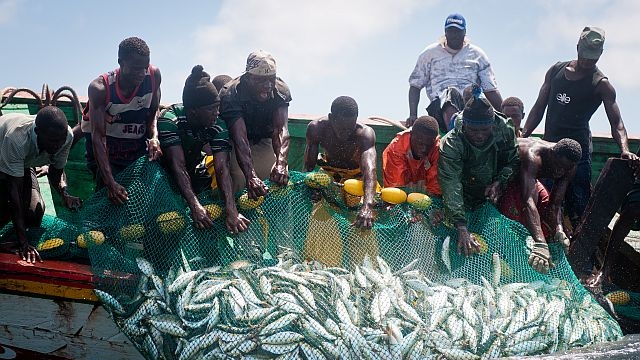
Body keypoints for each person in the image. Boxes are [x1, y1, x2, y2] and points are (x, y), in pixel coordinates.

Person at [522, 26, 639, 227]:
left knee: (580, 205)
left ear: (600, 54)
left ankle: (581, 251)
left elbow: (617, 123)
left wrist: (625, 150)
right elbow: (538, 108)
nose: (588, 62)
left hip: (579, 155)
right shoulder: (556, 71)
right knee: (543, 200)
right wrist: (524, 135)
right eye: (585, 56)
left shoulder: (601, 84)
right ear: (577, 47)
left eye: (593, 58)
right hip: (550, 150)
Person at [158, 65, 249, 234]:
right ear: (193, 111)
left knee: (208, 216)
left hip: (195, 169)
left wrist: (231, 210)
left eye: (218, 107)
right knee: (165, 223)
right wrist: (194, 205)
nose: (217, 113)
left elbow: (222, 168)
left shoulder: (217, 124)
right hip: (164, 173)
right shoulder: (170, 119)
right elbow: (178, 166)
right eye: (211, 109)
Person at [83, 37, 163, 204]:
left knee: (141, 203)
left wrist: (154, 137)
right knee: (109, 203)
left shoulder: (154, 76)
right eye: (136, 69)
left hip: (136, 152)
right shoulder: (100, 88)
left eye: (144, 68)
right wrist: (110, 182)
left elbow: (153, 112)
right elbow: (98, 138)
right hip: (107, 155)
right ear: (121, 62)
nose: (142, 74)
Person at [438, 93, 519, 256]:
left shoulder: (505, 129)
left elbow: (513, 161)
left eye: (485, 130)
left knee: (490, 250)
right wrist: (461, 226)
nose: (480, 135)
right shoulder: (452, 143)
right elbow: (451, 182)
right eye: (474, 130)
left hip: (489, 196)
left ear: (492, 125)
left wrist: (499, 182)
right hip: (460, 195)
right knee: (452, 250)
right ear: (465, 125)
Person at [0, 107, 82, 263]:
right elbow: (14, 196)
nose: (58, 145)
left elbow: (55, 172)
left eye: (61, 139)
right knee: (5, 209)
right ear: (38, 132)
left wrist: (65, 194)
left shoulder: (67, 136)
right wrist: (24, 244)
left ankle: (16, 237)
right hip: (2, 154)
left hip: (24, 162)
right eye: (52, 140)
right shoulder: (16, 139)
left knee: (34, 211)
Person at [497, 138, 582, 273]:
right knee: (515, 217)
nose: (560, 172)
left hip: (531, 180)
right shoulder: (533, 155)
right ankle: (511, 258)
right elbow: (528, 201)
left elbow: (554, 205)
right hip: (511, 177)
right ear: (552, 153)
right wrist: (540, 243)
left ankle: (541, 255)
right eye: (558, 166)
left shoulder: (570, 166)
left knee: (544, 212)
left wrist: (559, 229)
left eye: (564, 169)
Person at [407, 13, 503, 129]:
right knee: (451, 93)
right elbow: (415, 86)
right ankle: (454, 134)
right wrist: (413, 115)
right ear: (445, 32)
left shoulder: (478, 54)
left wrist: (505, 115)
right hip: (439, 108)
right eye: (451, 31)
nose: (454, 35)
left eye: (458, 31)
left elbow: (490, 90)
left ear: (464, 32)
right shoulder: (429, 53)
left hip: (472, 106)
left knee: (478, 99)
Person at [219, 50, 291, 198]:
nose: (268, 85)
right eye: (261, 80)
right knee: (240, 178)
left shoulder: (280, 90)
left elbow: (280, 129)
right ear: (248, 77)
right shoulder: (231, 93)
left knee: (279, 179)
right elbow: (240, 139)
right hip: (235, 142)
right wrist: (250, 176)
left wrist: (281, 163)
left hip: (265, 139)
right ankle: (235, 216)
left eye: (271, 79)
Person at [304, 96, 377, 228]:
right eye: (342, 129)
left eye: (350, 128)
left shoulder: (365, 134)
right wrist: (311, 189)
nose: (346, 133)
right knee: (320, 221)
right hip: (329, 177)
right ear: (331, 118)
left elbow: (370, 171)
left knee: (364, 223)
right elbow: (308, 168)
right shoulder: (316, 128)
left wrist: (367, 206)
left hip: (357, 180)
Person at [382, 115, 441, 196]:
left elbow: (435, 188)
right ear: (411, 135)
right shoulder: (397, 148)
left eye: (428, 145)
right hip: (401, 189)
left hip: (425, 195)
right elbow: (395, 187)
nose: (424, 149)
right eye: (420, 143)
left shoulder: (437, 149)